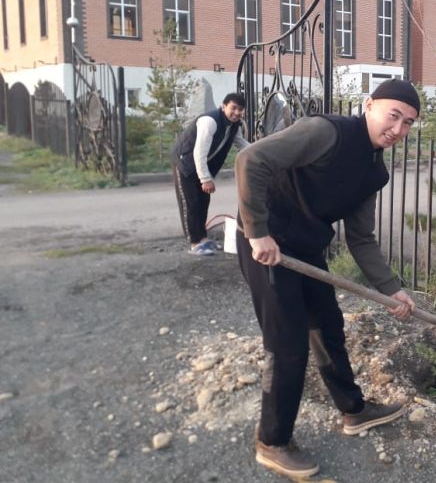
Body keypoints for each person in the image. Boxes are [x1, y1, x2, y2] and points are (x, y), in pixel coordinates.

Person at [235, 78, 420, 479]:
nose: (398, 129)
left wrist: (392, 290)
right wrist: (257, 231)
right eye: (394, 116)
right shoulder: (326, 132)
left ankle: (353, 411)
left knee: (328, 329)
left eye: (408, 123)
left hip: (305, 251)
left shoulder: (375, 173)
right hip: (267, 245)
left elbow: (361, 238)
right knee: (287, 345)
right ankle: (273, 440)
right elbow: (251, 160)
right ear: (369, 105)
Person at [172, 92, 249, 256]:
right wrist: (205, 179)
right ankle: (194, 243)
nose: (236, 113)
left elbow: (241, 144)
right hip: (186, 162)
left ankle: (203, 239)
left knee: (203, 201)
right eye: (233, 108)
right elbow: (198, 153)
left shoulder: (234, 125)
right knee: (192, 204)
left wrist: (260, 152)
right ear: (223, 106)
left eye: (240, 110)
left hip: (201, 165)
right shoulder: (210, 122)